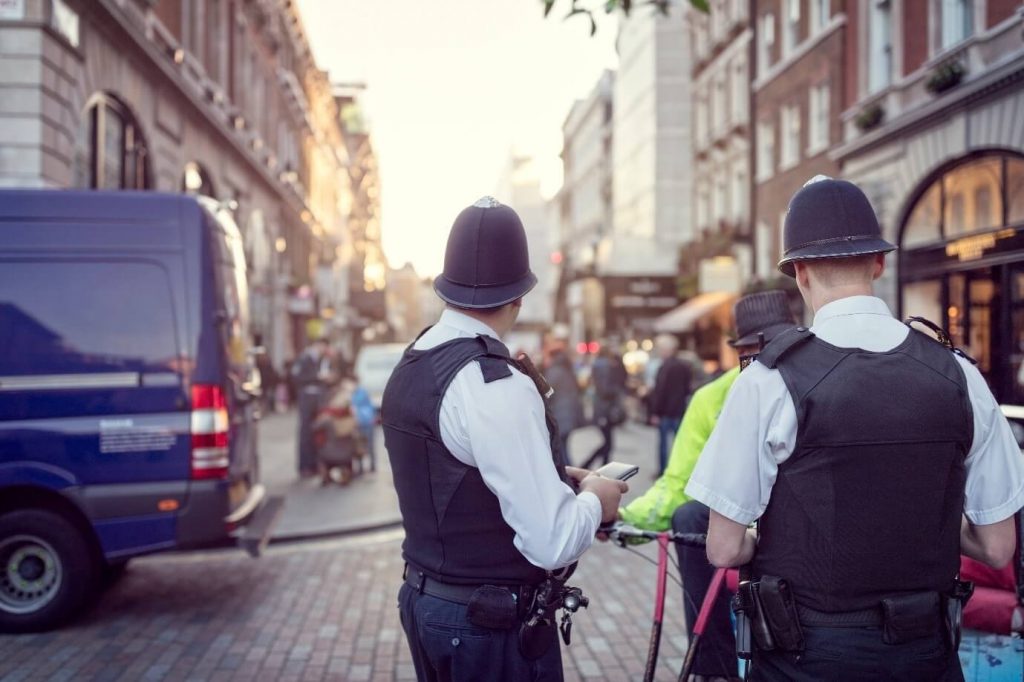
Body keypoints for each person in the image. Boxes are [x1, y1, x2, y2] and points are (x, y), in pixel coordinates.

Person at [686, 177, 1024, 681]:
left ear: (799, 273)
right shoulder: (960, 375)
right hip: (926, 652)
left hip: (807, 655)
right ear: (878, 263)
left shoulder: (768, 379)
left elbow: (724, 548)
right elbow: (997, 547)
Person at [382, 196, 628, 682]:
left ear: (446, 289)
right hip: (487, 625)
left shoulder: (413, 360)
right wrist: (598, 500)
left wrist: (555, 477)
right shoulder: (494, 383)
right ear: (519, 296)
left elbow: (457, 472)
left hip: (426, 603)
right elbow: (553, 542)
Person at [619, 290, 796, 682]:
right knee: (690, 515)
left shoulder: (802, 382)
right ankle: (714, 668)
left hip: (791, 528)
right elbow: (682, 483)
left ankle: (720, 667)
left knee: (695, 518)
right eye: (749, 353)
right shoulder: (715, 397)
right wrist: (626, 519)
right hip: (760, 526)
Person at [647, 333, 693, 475]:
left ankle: (663, 471)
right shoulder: (684, 366)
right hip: (679, 410)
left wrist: (655, 412)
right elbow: (687, 388)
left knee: (663, 445)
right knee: (680, 444)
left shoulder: (664, 367)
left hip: (666, 412)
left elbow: (659, 391)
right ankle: (680, 470)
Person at [580, 345, 627, 469]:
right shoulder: (605, 366)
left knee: (608, 443)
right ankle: (591, 465)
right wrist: (618, 390)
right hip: (605, 409)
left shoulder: (598, 364)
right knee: (608, 443)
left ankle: (599, 466)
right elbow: (605, 389)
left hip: (603, 408)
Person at [291, 337, 331, 477]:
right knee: (305, 432)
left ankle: (314, 464)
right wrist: (317, 377)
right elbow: (297, 377)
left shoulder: (319, 359)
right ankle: (305, 466)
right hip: (307, 397)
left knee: (315, 430)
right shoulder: (305, 358)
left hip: (317, 397)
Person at [546, 346, 584, 463]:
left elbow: (547, 393)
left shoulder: (554, 372)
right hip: (569, 416)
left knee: (561, 451)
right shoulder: (568, 371)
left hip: (559, 416)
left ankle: (569, 476)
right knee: (563, 448)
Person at [350, 374, 377, 473]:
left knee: (369, 445)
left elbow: (357, 403)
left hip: (366, 421)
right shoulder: (352, 393)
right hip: (358, 423)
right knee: (358, 445)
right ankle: (360, 467)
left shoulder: (361, 392)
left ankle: (372, 466)